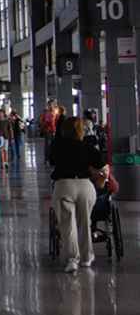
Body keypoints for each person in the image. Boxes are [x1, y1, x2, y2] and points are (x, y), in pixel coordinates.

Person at [51, 117, 107, 273]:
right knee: (85, 223)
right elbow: (102, 164)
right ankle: (87, 257)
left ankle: (72, 260)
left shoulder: (57, 146)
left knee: (68, 226)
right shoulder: (87, 146)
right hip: (85, 186)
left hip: (64, 185)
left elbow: (52, 160)